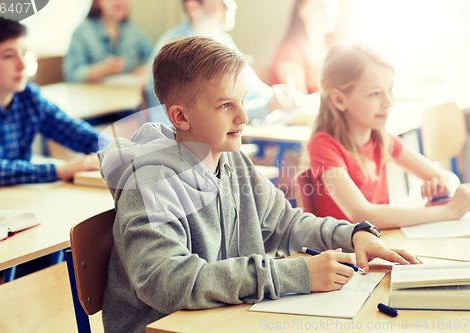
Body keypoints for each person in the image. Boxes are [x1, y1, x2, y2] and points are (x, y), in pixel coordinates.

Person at [98, 36, 420, 333]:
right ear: (181, 118)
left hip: (226, 318)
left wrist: (352, 235)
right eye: (226, 105)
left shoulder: (232, 159)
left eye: (243, 101)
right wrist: (297, 274)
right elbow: (172, 282)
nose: (243, 117)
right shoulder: (150, 182)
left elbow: (285, 222)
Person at [304, 42, 470, 228]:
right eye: (375, 93)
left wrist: (443, 188)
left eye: (389, 89)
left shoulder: (380, 138)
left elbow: (447, 177)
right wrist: (447, 212)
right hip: (345, 253)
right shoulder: (323, 146)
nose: (388, 102)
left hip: (380, 243)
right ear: (339, 99)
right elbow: (362, 214)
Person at [0, 17, 108, 188]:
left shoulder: (29, 97)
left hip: (19, 197)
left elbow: (77, 133)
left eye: (24, 53)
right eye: (8, 56)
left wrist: (114, 150)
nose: (22, 65)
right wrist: (60, 170)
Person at [142, 0, 295, 124]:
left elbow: (253, 89)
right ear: (193, 6)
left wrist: (280, 97)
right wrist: (265, 107)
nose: (231, 5)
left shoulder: (222, 39)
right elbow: (203, 117)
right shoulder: (177, 51)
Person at [63, 0, 153, 83]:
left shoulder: (132, 29)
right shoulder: (82, 33)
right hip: (94, 97)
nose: (122, 2)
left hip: (127, 95)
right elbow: (72, 76)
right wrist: (105, 68)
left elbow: (153, 56)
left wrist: (145, 68)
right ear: (98, 2)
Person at [271, 0, 340, 95]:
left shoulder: (335, 47)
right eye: (320, 6)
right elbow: (300, 104)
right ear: (302, 8)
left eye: (331, 5)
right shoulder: (289, 55)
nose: (328, 12)